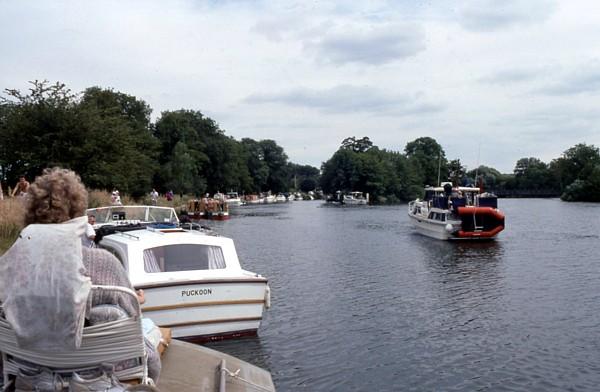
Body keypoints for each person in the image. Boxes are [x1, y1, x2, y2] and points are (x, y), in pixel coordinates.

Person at [22, 168, 160, 380]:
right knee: (150, 330)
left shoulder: (17, 268)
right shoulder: (104, 262)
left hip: (34, 372)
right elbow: (134, 321)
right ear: (79, 213)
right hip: (101, 373)